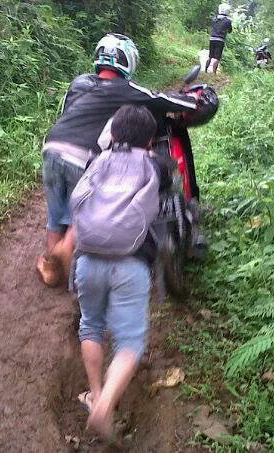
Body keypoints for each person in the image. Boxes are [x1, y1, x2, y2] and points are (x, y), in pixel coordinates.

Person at [37, 33, 209, 287]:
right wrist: (193, 101)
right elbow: (160, 99)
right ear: (126, 61)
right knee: (83, 212)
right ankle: (68, 259)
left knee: (56, 214)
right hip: (81, 157)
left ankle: (53, 267)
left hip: (51, 148)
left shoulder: (80, 83)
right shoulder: (124, 88)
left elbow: (67, 113)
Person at [70, 105, 165, 443]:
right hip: (131, 263)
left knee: (91, 325)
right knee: (130, 342)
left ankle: (96, 393)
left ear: (113, 133)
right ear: (150, 139)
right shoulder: (155, 165)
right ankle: (105, 406)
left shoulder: (96, 161)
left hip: (88, 259)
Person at [206, 3, 233, 74]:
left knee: (210, 56)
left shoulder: (214, 19)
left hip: (212, 38)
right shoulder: (228, 21)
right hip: (220, 40)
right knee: (217, 58)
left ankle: (206, 70)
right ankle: (214, 73)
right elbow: (230, 30)